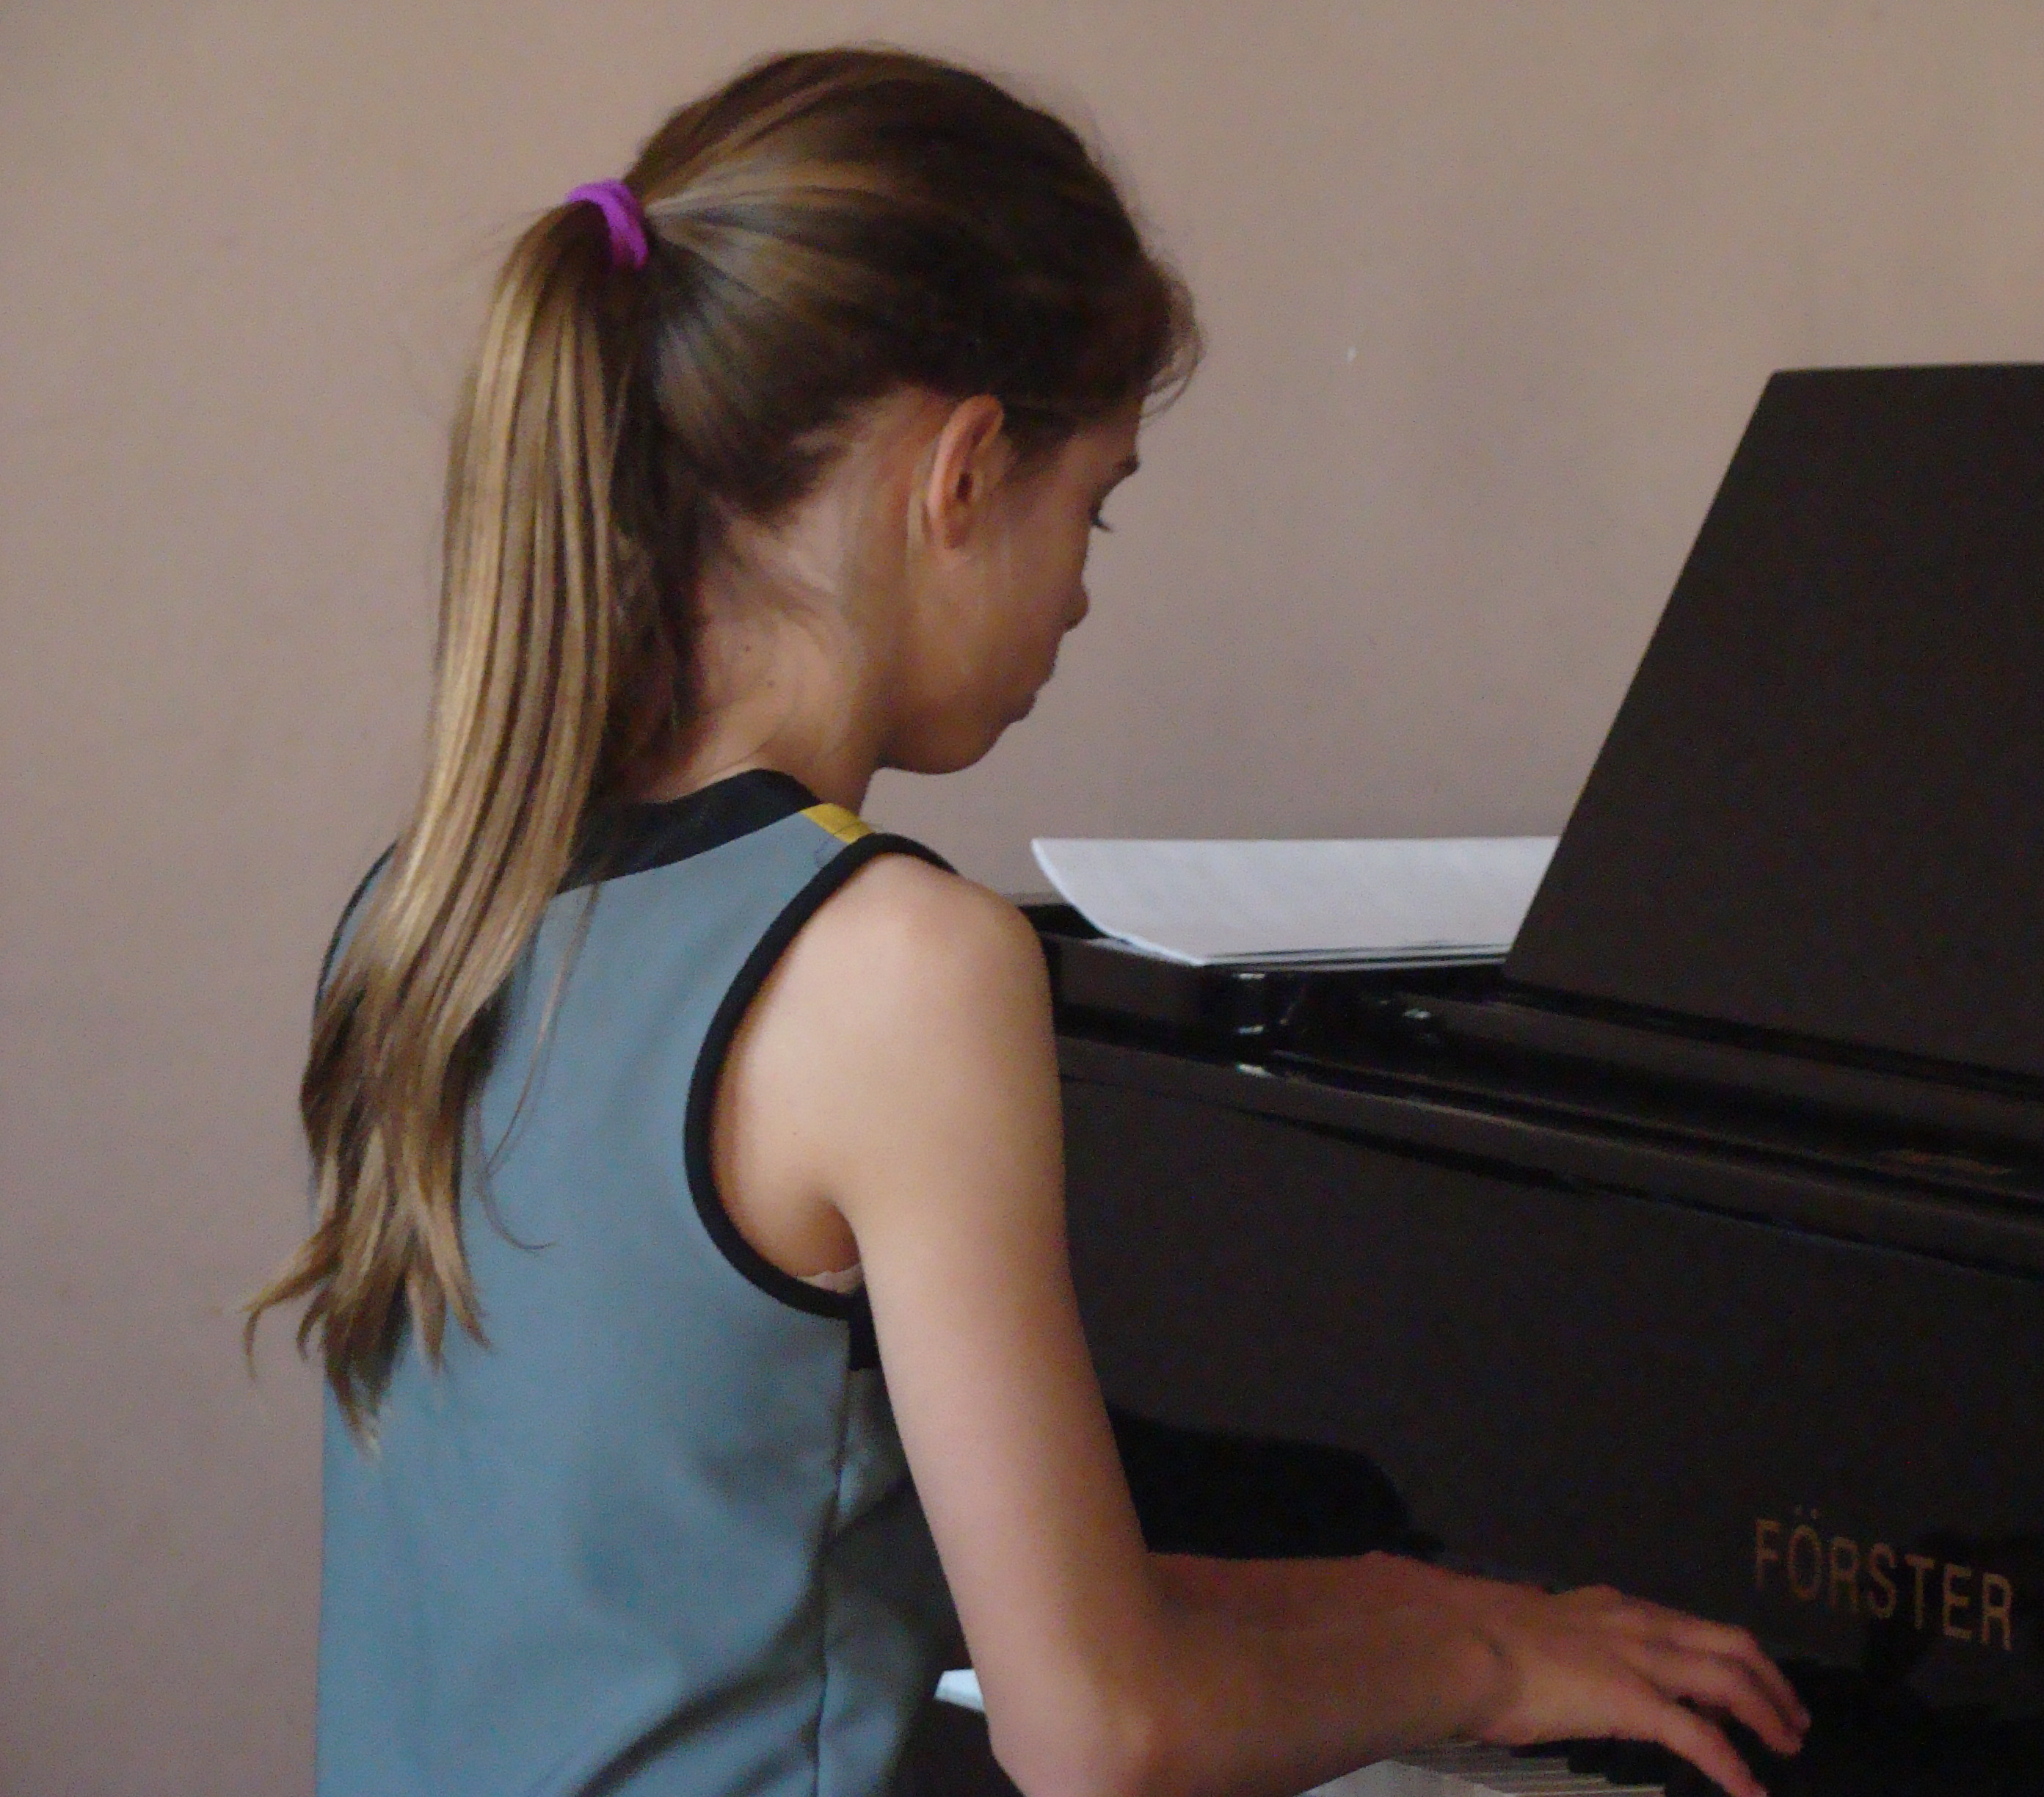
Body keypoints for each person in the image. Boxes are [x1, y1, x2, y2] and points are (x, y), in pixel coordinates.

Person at [249, 46, 1808, 1797]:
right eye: (1096, 505)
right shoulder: (893, 966)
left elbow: (801, 1580)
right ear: (965, 472)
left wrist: (1406, 1609)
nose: (1079, 592)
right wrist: (1491, 1661)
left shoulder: (428, 911)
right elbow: (1100, 1734)